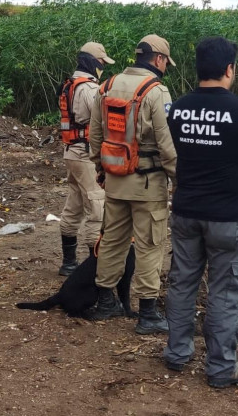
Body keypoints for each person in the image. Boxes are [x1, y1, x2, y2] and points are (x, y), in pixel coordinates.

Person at [163, 36, 238, 388]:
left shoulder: (177, 108)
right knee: (225, 292)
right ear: (229, 69)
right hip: (228, 216)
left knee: (182, 283)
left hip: (186, 210)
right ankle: (221, 368)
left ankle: (177, 354)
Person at [88, 34, 177, 334]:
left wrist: (101, 168)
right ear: (159, 59)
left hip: (115, 180)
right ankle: (148, 313)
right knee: (151, 244)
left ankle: (105, 303)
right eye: (166, 62)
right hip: (148, 184)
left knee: (112, 239)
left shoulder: (107, 85)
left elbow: (96, 134)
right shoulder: (156, 91)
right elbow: (167, 145)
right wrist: (179, 179)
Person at [57, 42, 115, 275]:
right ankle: (95, 267)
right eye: (101, 63)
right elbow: (103, 118)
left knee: (74, 205)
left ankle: (68, 262)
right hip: (85, 155)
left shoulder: (69, 85)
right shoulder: (89, 89)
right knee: (97, 206)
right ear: (92, 62)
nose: (102, 67)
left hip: (71, 152)